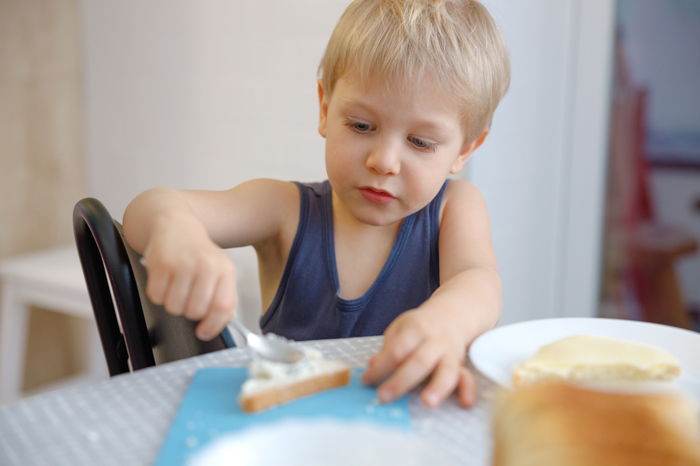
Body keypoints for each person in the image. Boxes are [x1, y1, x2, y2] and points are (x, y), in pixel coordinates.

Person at [123, 0, 510, 409]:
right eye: (361, 125)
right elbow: (147, 208)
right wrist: (175, 232)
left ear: (464, 150)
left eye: (420, 142)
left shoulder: (455, 208)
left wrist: (448, 322)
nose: (384, 161)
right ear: (325, 108)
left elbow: (480, 282)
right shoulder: (282, 210)